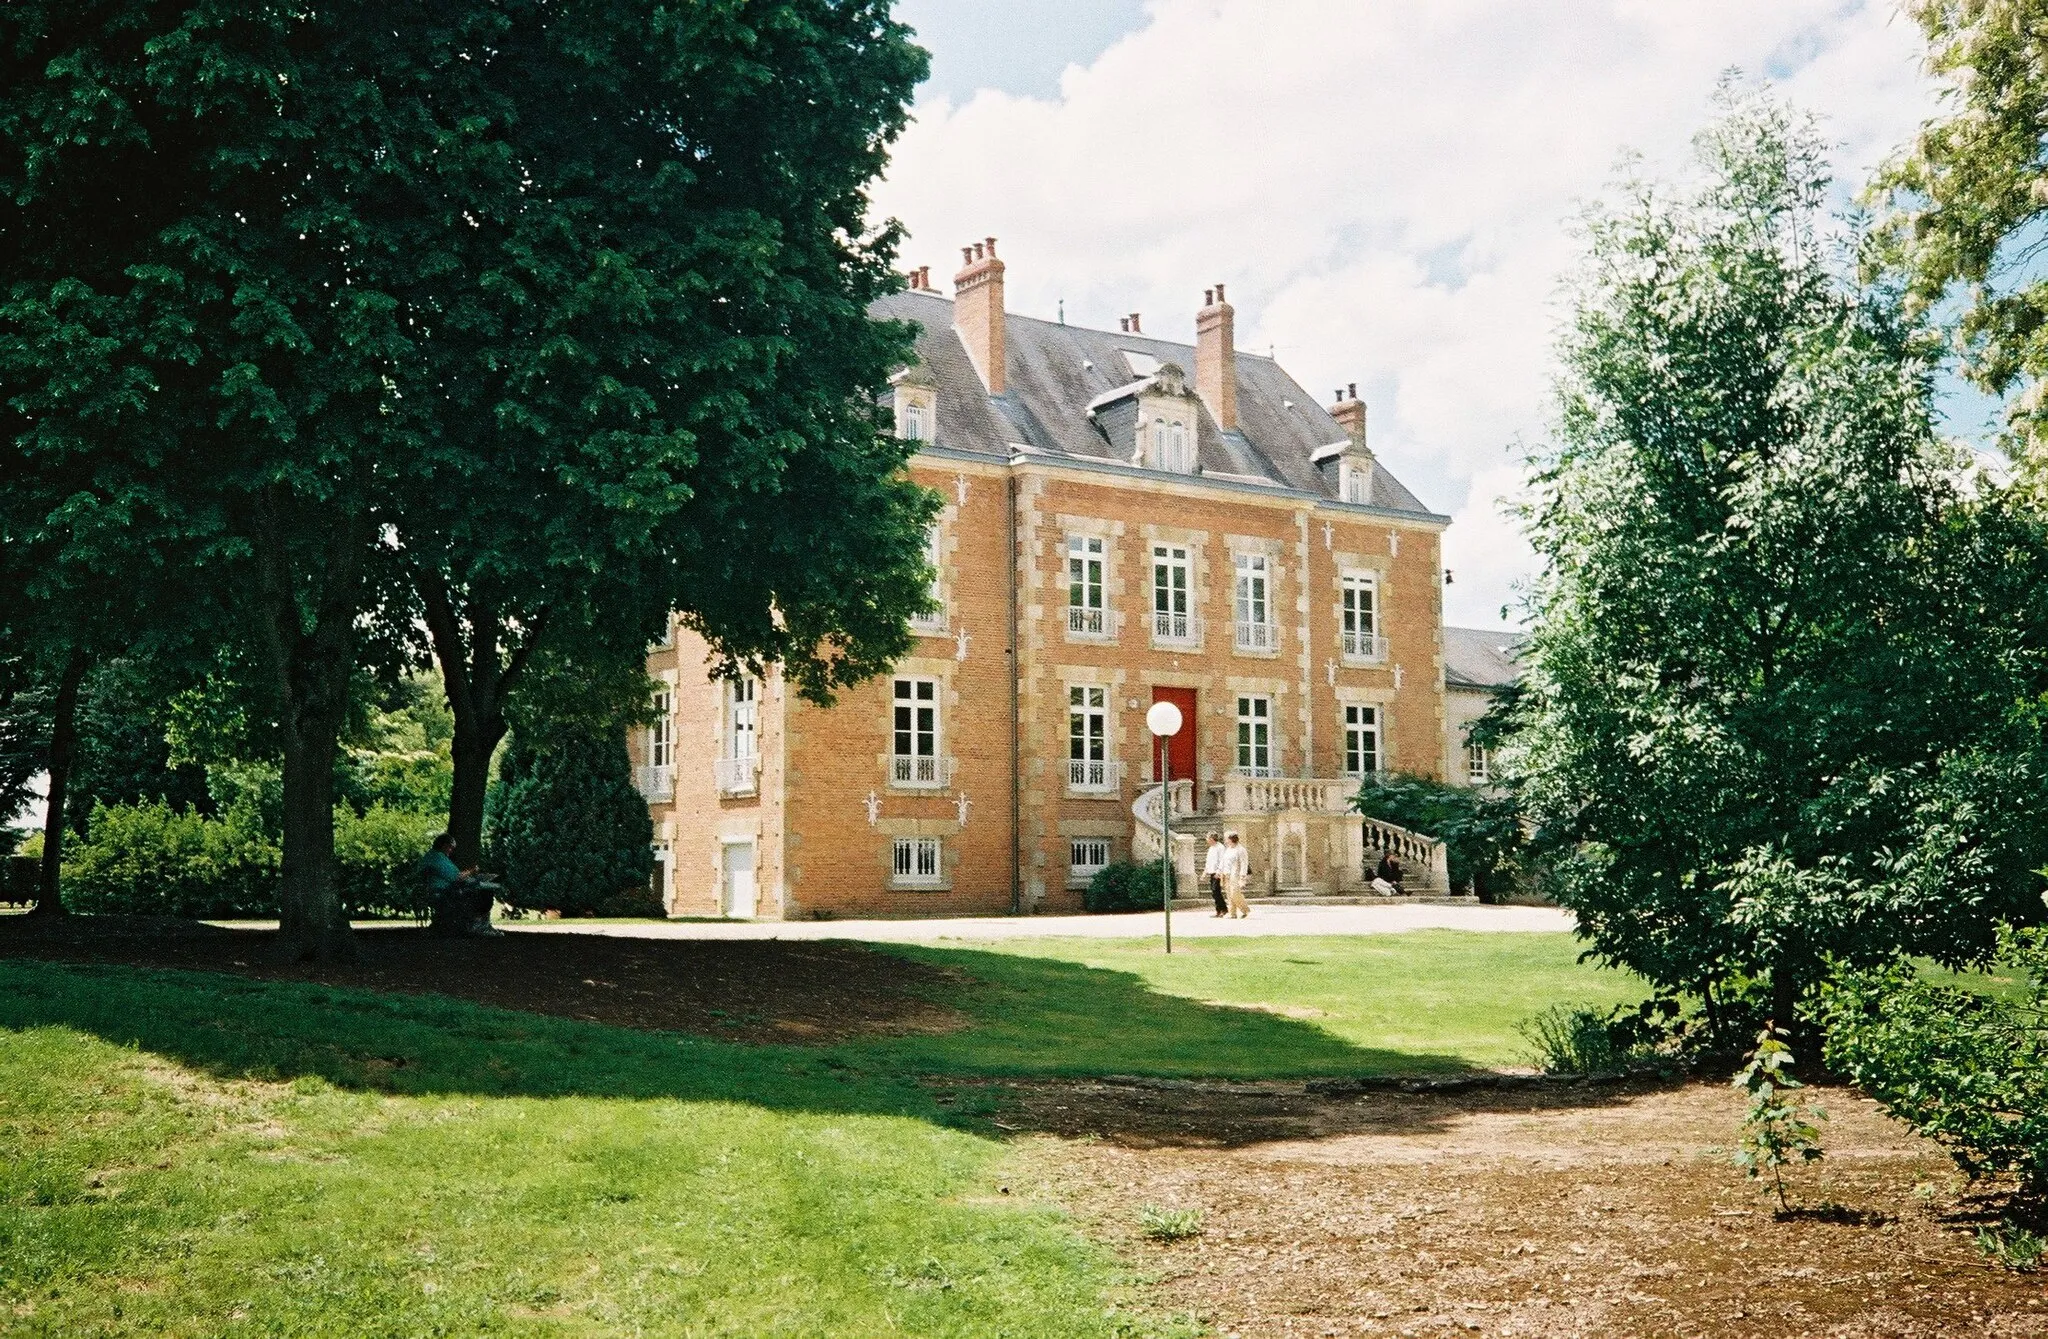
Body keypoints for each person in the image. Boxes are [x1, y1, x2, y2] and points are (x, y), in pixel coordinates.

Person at [423, 833, 502, 937]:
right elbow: (457, 877)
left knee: (481, 891)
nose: (451, 851)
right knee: (485, 893)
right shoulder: (438, 858)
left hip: (442, 890)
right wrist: (472, 871)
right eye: (451, 848)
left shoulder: (432, 856)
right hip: (444, 892)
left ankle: (479, 925)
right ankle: (480, 926)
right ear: (445, 846)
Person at [1223, 830, 1251, 919]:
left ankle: (1245, 909)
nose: (1225, 841)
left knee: (1235, 893)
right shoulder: (1228, 849)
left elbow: (1244, 864)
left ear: (1231, 839)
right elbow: (1224, 861)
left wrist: (1242, 877)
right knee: (1229, 894)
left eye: (1226, 839)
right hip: (1227, 874)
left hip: (1236, 874)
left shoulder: (1241, 850)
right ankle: (1232, 913)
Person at [1202, 832, 1227, 917]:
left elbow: (1222, 861)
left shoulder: (1220, 848)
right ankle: (1220, 910)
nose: (1206, 840)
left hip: (1218, 873)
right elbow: (1208, 862)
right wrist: (1204, 872)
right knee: (1214, 892)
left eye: (1207, 838)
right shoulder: (1211, 848)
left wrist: (1219, 872)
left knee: (1216, 891)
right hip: (1212, 872)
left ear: (1211, 839)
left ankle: (1223, 909)